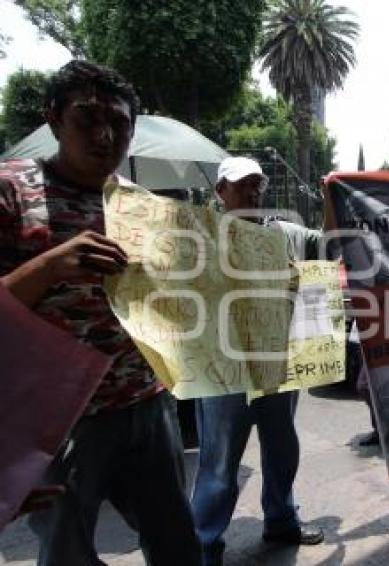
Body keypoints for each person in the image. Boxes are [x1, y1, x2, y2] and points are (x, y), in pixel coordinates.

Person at [0, 60, 201, 565]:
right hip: (61, 421)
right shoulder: (12, 191)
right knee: (68, 552)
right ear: (54, 120)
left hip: (148, 404)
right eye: (87, 119)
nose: (105, 135)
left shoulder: (142, 206)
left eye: (120, 123)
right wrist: (49, 267)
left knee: (177, 544)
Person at [190, 157, 323, 566]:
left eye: (256, 186)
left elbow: (323, 250)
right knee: (219, 460)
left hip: (277, 363)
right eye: (241, 185)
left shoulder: (283, 234)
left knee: (282, 448)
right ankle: (205, 543)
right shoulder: (200, 235)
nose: (251, 193)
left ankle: (281, 519)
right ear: (220, 192)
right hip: (223, 368)